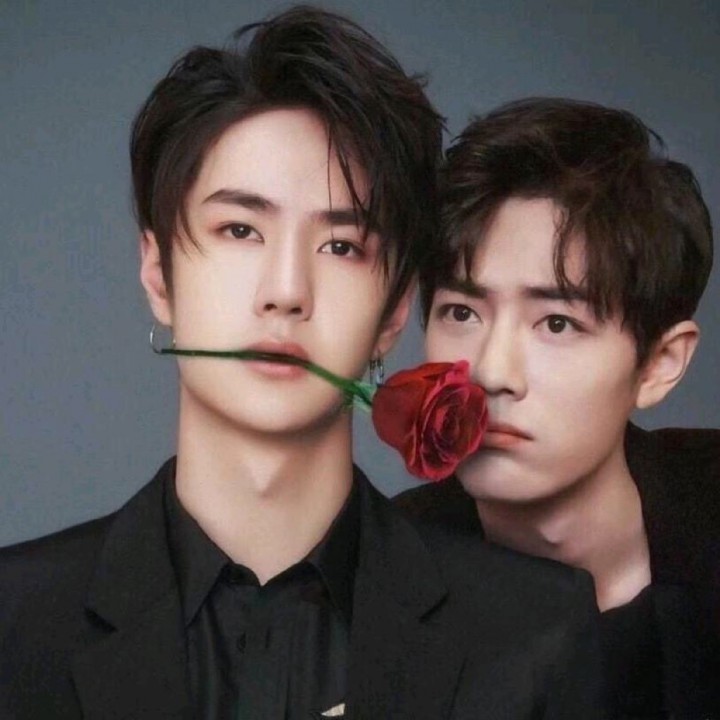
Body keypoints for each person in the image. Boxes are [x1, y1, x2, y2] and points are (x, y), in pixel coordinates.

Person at [0, 13, 605, 720]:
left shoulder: (533, 634)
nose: (286, 291)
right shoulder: (15, 623)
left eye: (341, 246)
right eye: (240, 230)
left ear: (394, 310)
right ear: (159, 274)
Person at [397, 97, 720, 718]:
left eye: (556, 323)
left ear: (660, 364)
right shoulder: (378, 577)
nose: (491, 373)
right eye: (461, 313)